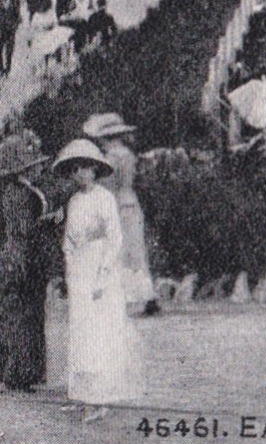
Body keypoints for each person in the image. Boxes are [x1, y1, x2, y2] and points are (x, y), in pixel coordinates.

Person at [55, 139, 140, 422]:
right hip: (78, 268)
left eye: (86, 168)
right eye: (75, 169)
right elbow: (68, 238)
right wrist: (69, 264)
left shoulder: (104, 198)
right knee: (80, 331)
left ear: (95, 170)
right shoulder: (74, 201)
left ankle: (100, 398)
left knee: (98, 332)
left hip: (98, 268)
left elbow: (114, 237)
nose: (80, 173)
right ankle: (80, 393)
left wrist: (102, 273)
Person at [81, 114, 157, 317]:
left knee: (121, 251)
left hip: (117, 204)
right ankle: (146, 296)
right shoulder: (127, 154)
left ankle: (125, 297)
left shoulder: (110, 159)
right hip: (130, 201)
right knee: (136, 250)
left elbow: (108, 185)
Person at [0, 130, 53, 391]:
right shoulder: (17, 194)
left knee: (21, 314)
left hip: (23, 256)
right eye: (32, 165)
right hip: (20, 259)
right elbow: (21, 231)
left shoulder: (20, 190)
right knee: (20, 316)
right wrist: (46, 222)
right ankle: (18, 372)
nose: (38, 168)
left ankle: (20, 370)